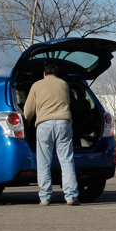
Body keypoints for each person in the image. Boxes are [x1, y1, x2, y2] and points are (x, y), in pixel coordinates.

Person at [24, 64, 79, 206]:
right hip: (63, 123)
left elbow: (28, 110)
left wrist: (28, 121)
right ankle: (71, 196)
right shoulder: (64, 84)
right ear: (57, 73)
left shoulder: (36, 85)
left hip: (44, 124)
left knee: (44, 162)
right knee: (66, 161)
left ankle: (45, 197)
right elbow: (73, 103)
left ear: (44, 74)